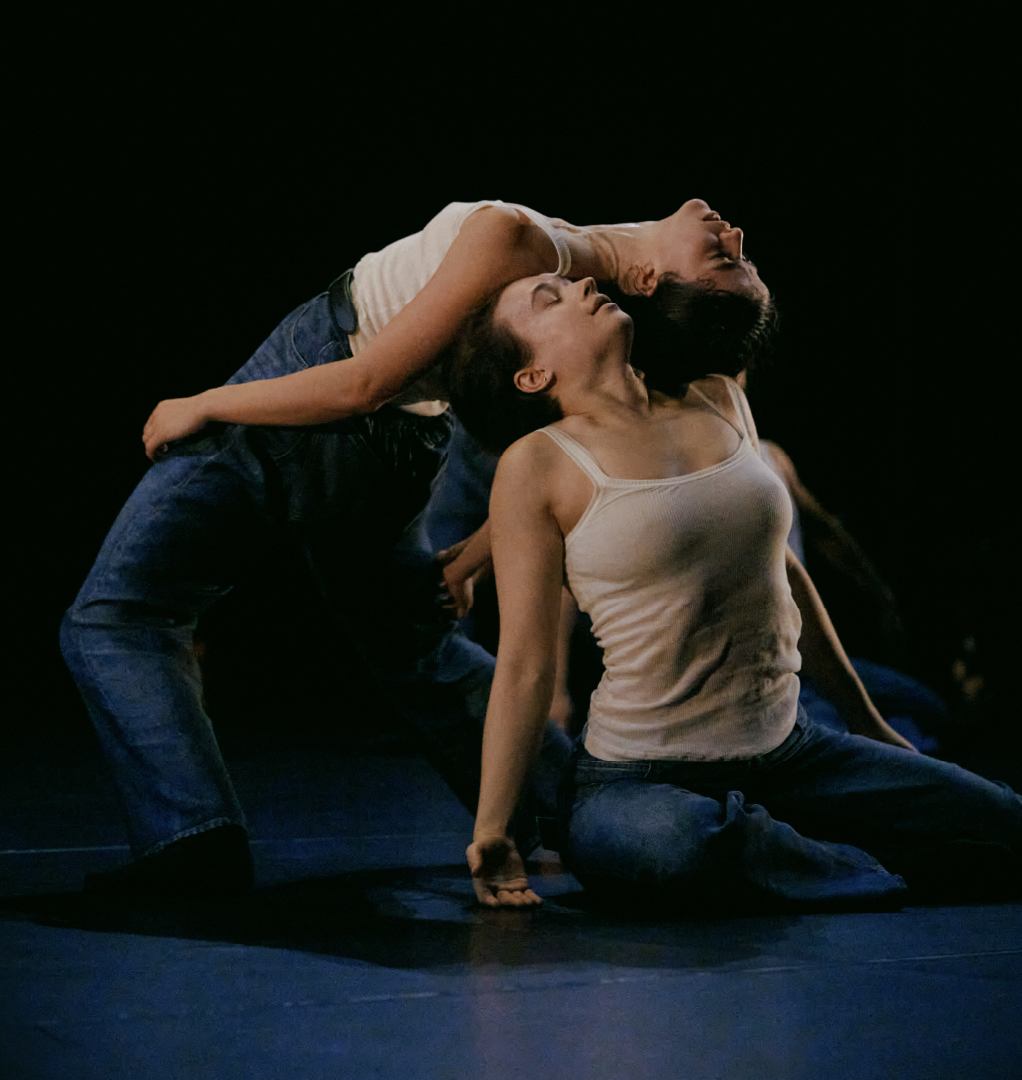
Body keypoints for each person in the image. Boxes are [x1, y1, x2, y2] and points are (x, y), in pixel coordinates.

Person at [61, 199, 772, 896]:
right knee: (417, 648)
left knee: (120, 615)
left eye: (722, 257)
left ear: (650, 282)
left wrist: (206, 403)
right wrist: (483, 548)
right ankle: (581, 812)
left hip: (329, 378)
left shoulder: (517, 240)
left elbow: (367, 383)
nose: (729, 229)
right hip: (408, 441)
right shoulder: (593, 296)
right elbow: (591, 443)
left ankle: (191, 838)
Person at [451, 272, 1022, 909]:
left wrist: (867, 723)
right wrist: (492, 829)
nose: (577, 284)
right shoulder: (537, 464)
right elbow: (521, 661)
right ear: (531, 376)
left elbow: (785, 575)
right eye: (547, 300)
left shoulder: (717, 395)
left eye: (569, 278)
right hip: (638, 781)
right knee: (679, 845)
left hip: (792, 754)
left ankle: (786, 849)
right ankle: (817, 855)